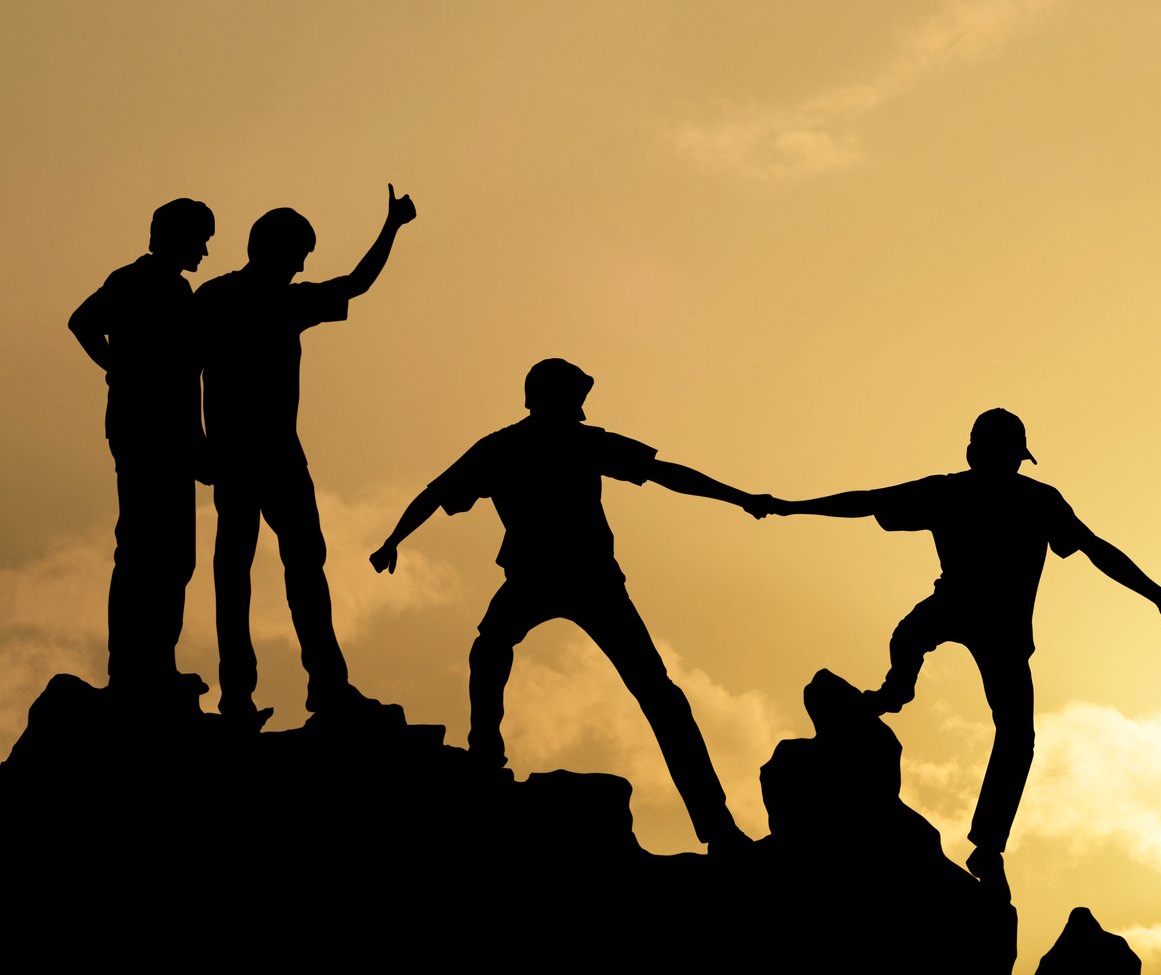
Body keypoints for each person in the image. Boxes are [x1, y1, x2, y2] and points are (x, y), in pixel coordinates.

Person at [765, 409, 1161, 884]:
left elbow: (868, 502)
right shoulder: (986, 494)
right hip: (977, 615)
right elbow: (868, 502)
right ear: (995, 456)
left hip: (987, 623)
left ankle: (978, 828)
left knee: (981, 702)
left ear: (978, 453)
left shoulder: (995, 496)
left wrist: (789, 506)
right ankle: (978, 828)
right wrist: (790, 506)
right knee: (980, 702)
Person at [369, 358, 766, 853]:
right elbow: (437, 492)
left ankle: (717, 827)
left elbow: (665, 474)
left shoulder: (520, 445)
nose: (581, 406)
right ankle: (486, 755)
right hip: (559, 578)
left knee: (642, 690)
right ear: (557, 398)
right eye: (576, 396)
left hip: (581, 580)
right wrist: (394, 539)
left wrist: (739, 497)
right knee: (499, 649)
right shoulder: (544, 444)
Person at [197, 185, 417, 729]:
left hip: (266, 456)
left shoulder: (233, 297)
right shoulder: (238, 300)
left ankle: (305, 688)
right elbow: (357, 283)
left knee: (276, 567)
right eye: (299, 254)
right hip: (249, 456)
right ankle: (255, 695)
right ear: (274, 248)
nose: (301, 266)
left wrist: (391, 228)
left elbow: (354, 284)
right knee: (246, 570)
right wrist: (391, 227)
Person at [67, 198, 217, 706]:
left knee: (173, 556)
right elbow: (82, 321)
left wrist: (196, 443)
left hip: (174, 434)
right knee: (142, 550)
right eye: (200, 238)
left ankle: (157, 663)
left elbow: (186, 376)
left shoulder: (179, 290)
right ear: (174, 236)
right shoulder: (134, 280)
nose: (205, 249)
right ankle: (133, 670)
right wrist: (117, 369)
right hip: (144, 432)